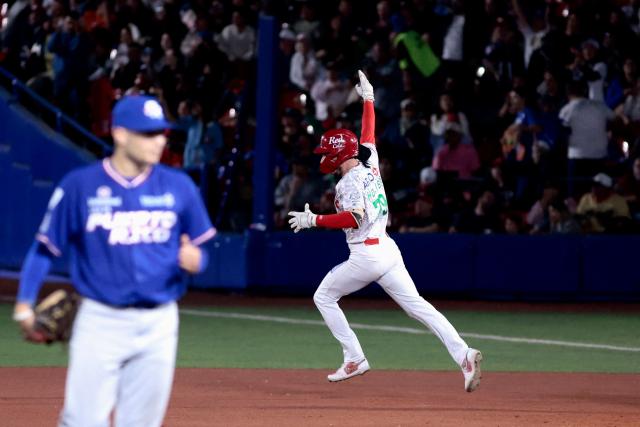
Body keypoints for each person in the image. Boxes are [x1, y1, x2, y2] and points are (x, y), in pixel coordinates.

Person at [12, 95, 216, 426]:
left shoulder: (179, 187)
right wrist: (24, 303)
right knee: (82, 421)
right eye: (148, 134)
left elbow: (201, 253)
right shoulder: (81, 186)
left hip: (159, 323)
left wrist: (197, 260)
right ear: (120, 134)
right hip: (100, 319)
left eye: (162, 133)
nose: (159, 141)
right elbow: (44, 249)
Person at [287, 71, 482, 392]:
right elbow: (368, 133)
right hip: (388, 250)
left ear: (338, 154)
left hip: (366, 254)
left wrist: (315, 221)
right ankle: (464, 354)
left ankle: (354, 357)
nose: (325, 158)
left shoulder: (348, 182)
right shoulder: (370, 163)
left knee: (323, 295)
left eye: (327, 153)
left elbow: (353, 216)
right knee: (418, 306)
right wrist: (368, 100)